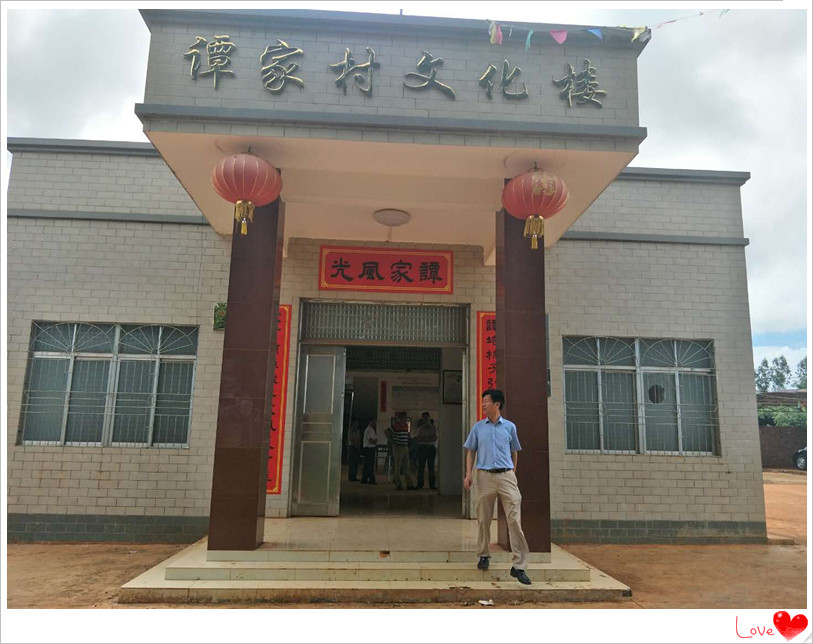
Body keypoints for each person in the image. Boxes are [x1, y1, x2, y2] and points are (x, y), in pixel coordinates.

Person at [463, 389, 532, 585]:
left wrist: (512, 473)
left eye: (486, 401)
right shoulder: (478, 427)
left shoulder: (510, 427)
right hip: (485, 476)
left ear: (497, 404)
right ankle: (484, 555)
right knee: (484, 519)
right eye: (482, 401)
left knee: (514, 520)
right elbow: (470, 451)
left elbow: (514, 451)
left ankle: (519, 566)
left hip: (506, 476)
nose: (483, 404)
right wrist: (468, 474)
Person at [415, 411, 438, 490]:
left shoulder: (433, 428)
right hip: (422, 448)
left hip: (431, 448)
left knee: (431, 467)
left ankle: (432, 485)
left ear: (429, 418)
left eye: (426, 418)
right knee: (421, 467)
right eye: (423, 418)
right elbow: (417, 438)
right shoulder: (420, 428)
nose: (424, 420)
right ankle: (420, 484)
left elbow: (434, 438)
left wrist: (423, 438)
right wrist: (427, 438)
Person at [390, 413, 412, 490]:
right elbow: (387, 432)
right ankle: (398, 484)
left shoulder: (406, 425)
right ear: (400, 418)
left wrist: (408, 439)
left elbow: (407, 435)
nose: (405, 419)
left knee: (407, 466)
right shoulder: (395, 425)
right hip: (398, 447)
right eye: (404, 417)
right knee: (397, 466)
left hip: (405, 446)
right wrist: (394, 442)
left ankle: (409, 484)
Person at [361, 419, 378, 485]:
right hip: (369, 449)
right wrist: (375, 442)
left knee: (367, 465)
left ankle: (364, 479)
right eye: (373, 422)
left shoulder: (372, 429)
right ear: (370, 422)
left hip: (369, 449)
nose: (375, 423)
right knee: (370, 465)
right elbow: (370, 440)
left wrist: (375, 441)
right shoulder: (369, 429)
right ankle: (371, 479)